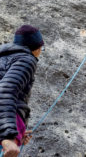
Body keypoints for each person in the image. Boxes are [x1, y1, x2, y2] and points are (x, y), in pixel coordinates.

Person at [0, 25, 44, 157]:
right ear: (36, 48)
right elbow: (5, 92)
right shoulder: (26, 59)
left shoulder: (3, 58)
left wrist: (18, 131)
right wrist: (8, 136)